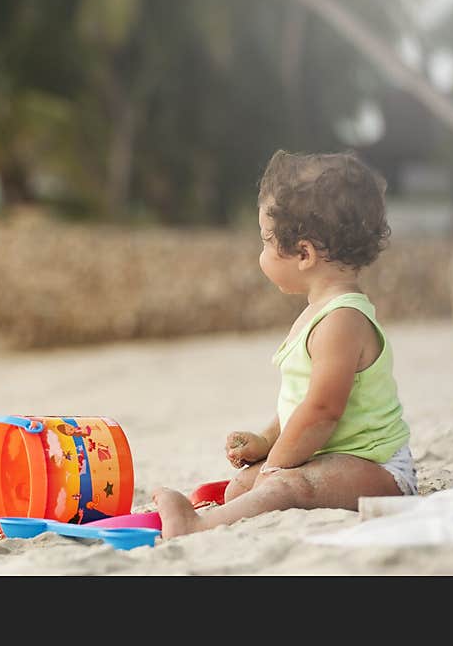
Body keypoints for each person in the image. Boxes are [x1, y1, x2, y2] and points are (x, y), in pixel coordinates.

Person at [153, 149, 418, 539]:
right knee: (242, 486)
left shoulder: (342, 320)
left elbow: (323, 411)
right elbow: (304, 402)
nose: (261, 254)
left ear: (304, 253)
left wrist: (276, 466)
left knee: (285, 486)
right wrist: (266, 442)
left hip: (378, 468)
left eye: (265, 241)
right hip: (336, 454)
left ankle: (194, 525)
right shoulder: (319, 313)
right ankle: (234, 501)